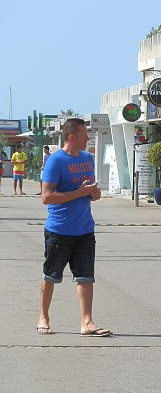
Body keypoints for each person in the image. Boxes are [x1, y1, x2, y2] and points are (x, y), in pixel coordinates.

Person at [37, 118, 111, 336]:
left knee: (86, 277)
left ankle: (87, 322)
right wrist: (80, 192)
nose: (88, 138)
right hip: (59, 231)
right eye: (84, 134)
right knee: (51, 276)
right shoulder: (55, 161)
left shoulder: (88, 159)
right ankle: (43, 316)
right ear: (71, 137)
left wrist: (94, 194)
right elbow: (46, 197)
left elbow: (90, 193)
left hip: (85, 230)